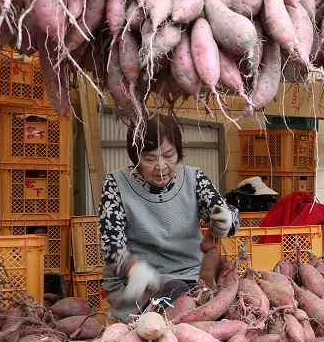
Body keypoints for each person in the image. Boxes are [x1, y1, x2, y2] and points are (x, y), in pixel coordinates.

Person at [98, 113, 239, 323]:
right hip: (140, 282)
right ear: (135, 157)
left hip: (192, 276)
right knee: (177, 294)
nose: (161, 167)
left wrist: (224, 220)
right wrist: (130, 267)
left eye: (169, 155)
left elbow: (228, 214)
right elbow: (110, 245)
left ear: (178, 152)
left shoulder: (194, 179)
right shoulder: (116, 185)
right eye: (150, 158)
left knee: (193, 298)